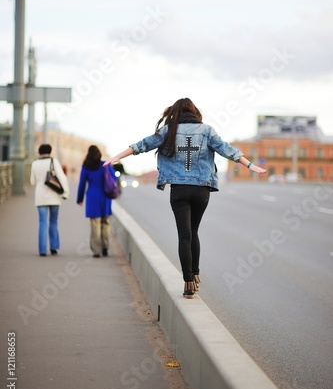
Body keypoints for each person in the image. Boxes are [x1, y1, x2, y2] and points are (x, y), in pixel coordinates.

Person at [104, 98, 267, 298]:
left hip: (179, 190)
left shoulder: (168, 131)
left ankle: (188, 281)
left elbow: (142, 145)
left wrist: (117, 157)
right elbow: (227, 150)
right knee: (194, 232)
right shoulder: (207, 130)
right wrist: (250, 165)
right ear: (194, 112)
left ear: (175, 113)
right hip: (201, 190)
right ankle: (196, 274)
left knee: (184, 235)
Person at [77, 145, 117, 258]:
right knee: (105, 223)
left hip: (93, 197)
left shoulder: (86, 167)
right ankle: (105, 247)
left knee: (95, 224)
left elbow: (82, 184)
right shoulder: (105, 165)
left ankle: (96, 250)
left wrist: (79, 199)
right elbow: (114, 179)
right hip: (105, 196)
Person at [30, 144, 70, 256]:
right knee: (53, 222)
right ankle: (54, 247)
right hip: (54, 196)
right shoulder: (54, 161)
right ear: (50, 151)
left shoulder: (34, 163)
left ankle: (42, 250)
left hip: (40, 196)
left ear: (39, 152)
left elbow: (32, 181)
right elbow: (62, 177)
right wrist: (66, 192)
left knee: (42, 222)